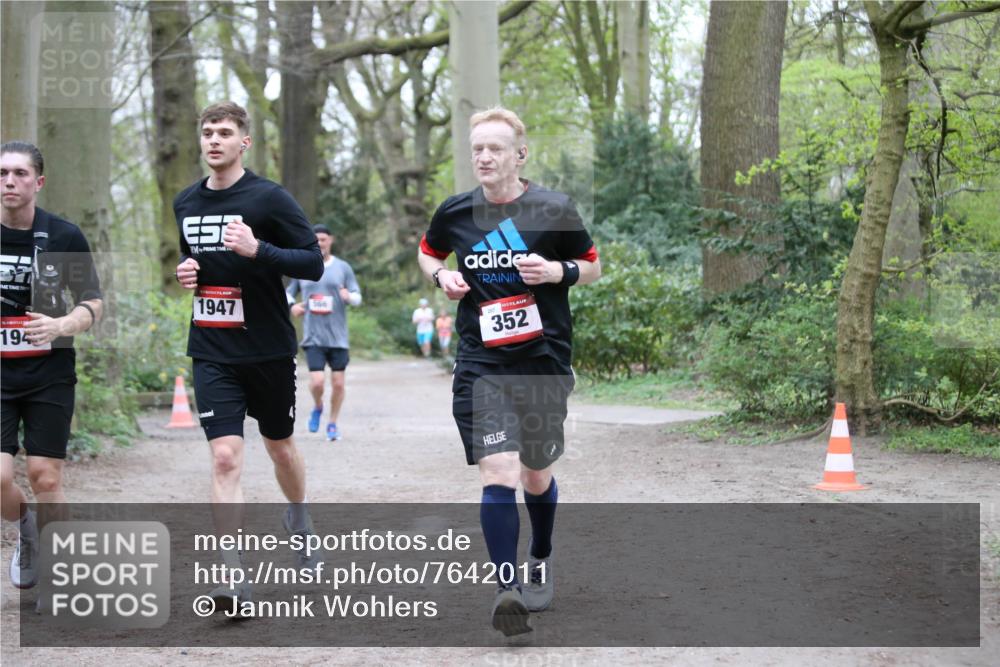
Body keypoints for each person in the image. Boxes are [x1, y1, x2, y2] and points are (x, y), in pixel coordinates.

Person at [417, 107, 601, 636]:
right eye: (477, 149)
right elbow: (429, 254)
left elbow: (592, 263)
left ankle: (539, 554)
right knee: (497, 470)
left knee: (535, 474)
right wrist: (441, 279)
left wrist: (557, 271)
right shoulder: (454, 213)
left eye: (495, 148)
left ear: (519, 154)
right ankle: (507, 589)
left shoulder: (553, 208)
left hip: (542, 360)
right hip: (482, 361)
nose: (484, 157)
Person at [173, 102, 324, 613]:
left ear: (245, 142)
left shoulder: (269, 199)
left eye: (225, 133)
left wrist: (259, 250)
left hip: (268, 348)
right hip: (212, 348)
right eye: (208, 132)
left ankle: (299, 516)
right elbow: (192, 256)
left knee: (280, 447)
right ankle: (230, 573)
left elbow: (312, 262)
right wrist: (187, 272)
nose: (214, 140)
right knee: (224, 456)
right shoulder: (185, 202)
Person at [1, 142, 103, 591]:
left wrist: (64, 322)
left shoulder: (62, 236)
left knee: (45, 475)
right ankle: (26, 529)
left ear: (38, 182)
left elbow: (93, 303)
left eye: (21, 173)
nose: (9, 182)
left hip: (49, 372)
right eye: (2, 173)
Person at [287, 224, 362, 441]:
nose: (320, 243)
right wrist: (293, 307)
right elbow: (288, 294)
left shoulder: (343, 268)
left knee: (338, 383)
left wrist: (349, 297)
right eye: (316, 240)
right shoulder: (304, 267)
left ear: (331, 240)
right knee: (318, 382)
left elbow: (357, 297)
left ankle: (332, 423)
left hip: (338, 338)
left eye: (323, 239)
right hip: (313, 337)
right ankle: (318, 406)